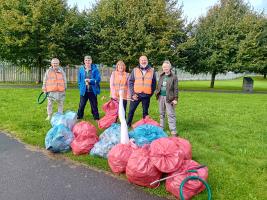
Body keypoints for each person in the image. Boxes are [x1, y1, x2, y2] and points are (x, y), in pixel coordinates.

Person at [127, 55, 156, 127]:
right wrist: (133, 94)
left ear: (147, 61)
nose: (143, 61)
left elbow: (154, 83)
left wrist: (150, 94)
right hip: (136, 95)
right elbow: (130, 81)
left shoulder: (152, 70)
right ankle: (128, 124)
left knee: (145, 112)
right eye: (142, 60)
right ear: (139, 61)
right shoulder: (135, 70)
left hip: (146, 95)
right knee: (131, 110)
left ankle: (145, 125)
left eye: (145, 60)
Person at [155, 60, 178, 136]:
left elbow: (176, 89)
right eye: (164, 67)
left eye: (167, 67)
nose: (165, 68)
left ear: (170, 67)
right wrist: (157, 93)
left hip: (169, 98)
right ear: (162, 68)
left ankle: (173, 130)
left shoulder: (174, 76)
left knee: (170, 114)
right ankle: (161, 127)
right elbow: (159, 85)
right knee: (161, 113)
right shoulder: (161, 75)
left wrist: (175, 99)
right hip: (161, 97)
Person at [77, 56, 101, 120]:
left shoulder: (95, 69)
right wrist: (81, 87)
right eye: (86, 60)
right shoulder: (81, 69)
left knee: (94, 105)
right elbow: (79, 80)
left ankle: (96, 118)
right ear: (84, 61)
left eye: (89, 60)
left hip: (92, 91)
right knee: (81, 105)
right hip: (84, 91)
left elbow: (98, 79)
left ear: (91, 61)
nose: (87, 61)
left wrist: (90, 81)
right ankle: (79, 117)